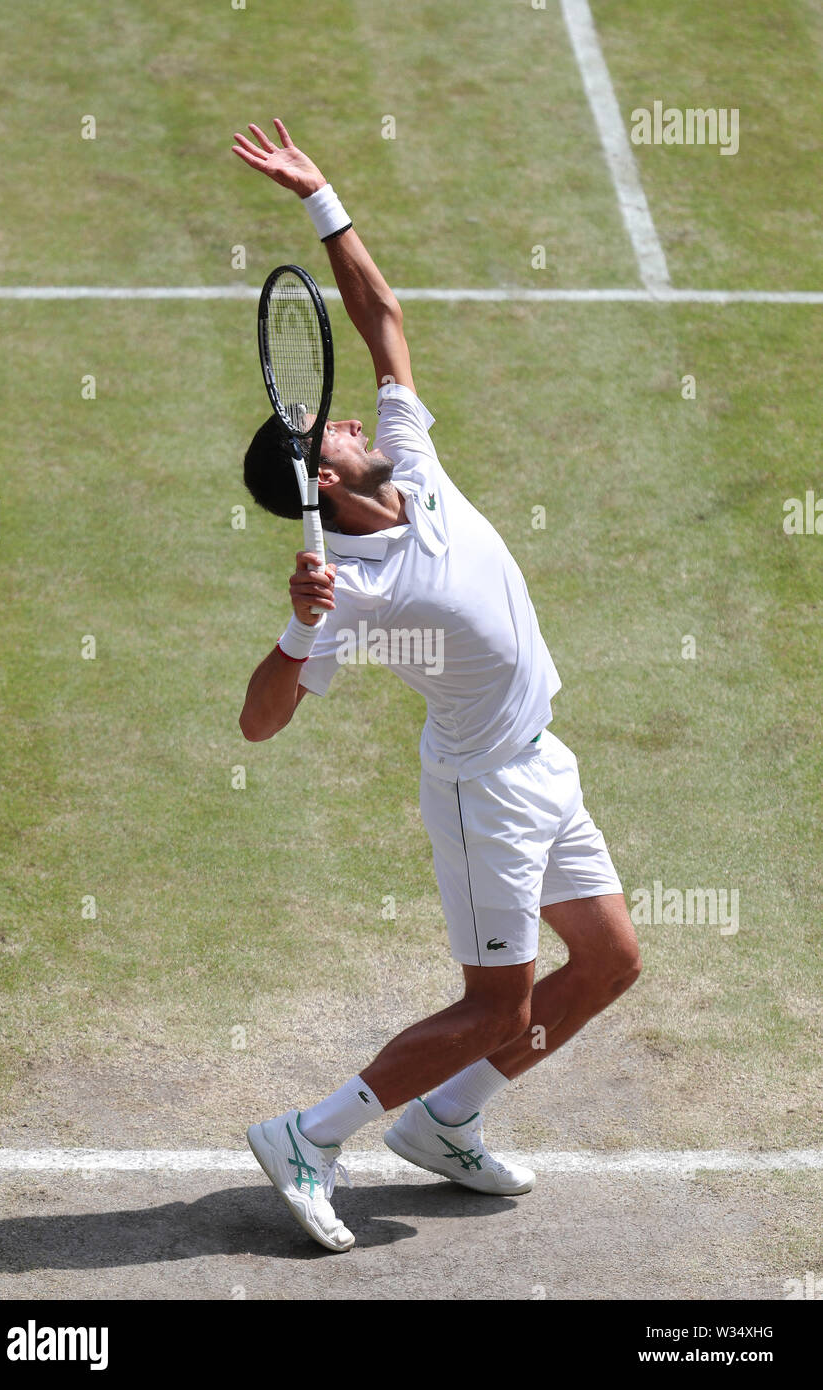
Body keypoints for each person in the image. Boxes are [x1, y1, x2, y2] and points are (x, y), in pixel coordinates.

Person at [232, 119, 641, 1253]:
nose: (355, 412)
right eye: (333, 424)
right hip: (480, 795)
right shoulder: (345, 591)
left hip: (541, 760)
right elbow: (259, 725)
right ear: (323, 474)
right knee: (494, 1005)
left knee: (607, 960)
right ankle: (308, 1135)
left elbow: (381, 315)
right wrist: (291, 631)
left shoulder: (408, 457)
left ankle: (446, 1120)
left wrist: (324, 199)